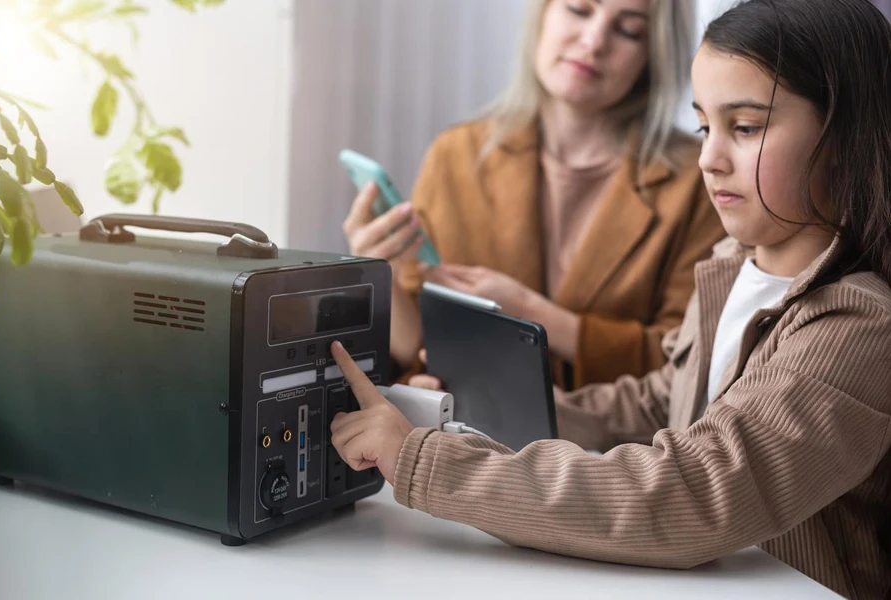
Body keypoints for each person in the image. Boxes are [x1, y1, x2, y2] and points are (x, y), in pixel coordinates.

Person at [327, 1, 891, 597]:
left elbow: (692, 493)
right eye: (705, 127)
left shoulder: (857, 325)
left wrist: (425, 462)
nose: (709, 157)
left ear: (845, 134)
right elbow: (660, 406)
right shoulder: (732, 269)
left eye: (745, 127)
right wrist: (475, 406)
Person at [343, 0, 725, 389]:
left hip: (617, 446)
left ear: (654, 52)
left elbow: (688, 359)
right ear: (542, 14)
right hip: (473, 436)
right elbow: (421, 348)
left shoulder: (700, 180)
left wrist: (531, 313)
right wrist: (379, 278)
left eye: (628, 30)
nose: (593, 42)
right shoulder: (456, 156)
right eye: (579, 9)